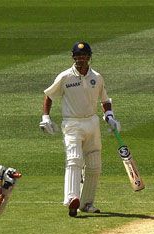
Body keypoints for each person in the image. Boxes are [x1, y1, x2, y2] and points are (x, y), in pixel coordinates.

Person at [40, 41, 119, 217]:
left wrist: (110, 116)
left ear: (89, 57)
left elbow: (105, 100)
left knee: (94, 165)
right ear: (73, 57)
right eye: (77, 56)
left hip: (92, 123)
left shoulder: (97, 77)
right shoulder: (65, 76)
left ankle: (87, 203)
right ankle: (71, 198)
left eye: (83, 56)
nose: (79, 59)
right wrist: (46, 117)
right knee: (74, 159)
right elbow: (49, 95)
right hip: (72, 123)